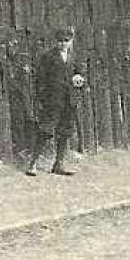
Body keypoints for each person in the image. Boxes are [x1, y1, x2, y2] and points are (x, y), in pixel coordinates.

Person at [24, 25, 87, 176]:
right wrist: (42, 97)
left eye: (66, 41)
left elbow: (80, 74)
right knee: (45, 131)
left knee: (65, 132)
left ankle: (58, 164)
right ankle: (33, 164)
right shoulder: (48, 57)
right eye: (59, 41)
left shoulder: (75, 56)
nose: (63, 44)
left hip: (69, 100)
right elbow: (40, 78)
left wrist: (80, 80)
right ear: (55, 41)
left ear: (71, 41)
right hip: (52, 101)